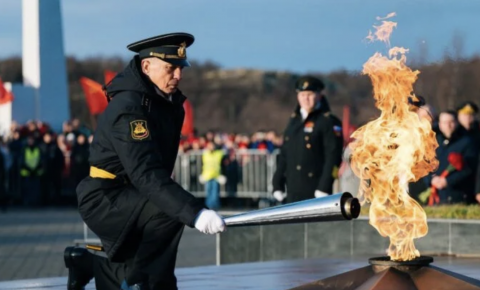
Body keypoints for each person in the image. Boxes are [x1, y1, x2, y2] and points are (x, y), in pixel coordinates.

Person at [64, 33, 226, 290]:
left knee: (149, 261)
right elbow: (146, 172)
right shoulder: (130, 107)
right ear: (146, 66)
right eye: (170, 67)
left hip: (134, 196)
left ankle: (89, 266)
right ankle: (137, 283)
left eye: (180, 68)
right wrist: (194, 212)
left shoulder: (166, 104)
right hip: (106, 197)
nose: (178, 75)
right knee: (168, 213)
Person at [272, 76, 342, 203]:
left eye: (309, 94)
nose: (306, 98)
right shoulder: (294, 121)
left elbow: (334, 157)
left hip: (316, 190)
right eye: (302, 94)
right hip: (293, 189)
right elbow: (285, 154)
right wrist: (277, 182)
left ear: (319, 95)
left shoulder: (328, 121)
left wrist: (324, 186)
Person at [423, 110, 477, 205]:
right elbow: (424, 164)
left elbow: (469, 167)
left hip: (459, 195)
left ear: (456, 122)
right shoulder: (433, 142)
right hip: (436, 195)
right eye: (444, 122)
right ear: (439, 124)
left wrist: (447, 181)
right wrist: (431, 180)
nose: (448, 125)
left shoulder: (467, 142)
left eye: (451, 122)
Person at [455, 101, 480, 204]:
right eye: (465, 114)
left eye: (471, 115)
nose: (468, 117)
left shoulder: (477, 130)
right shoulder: (454, 132)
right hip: (458, 178)